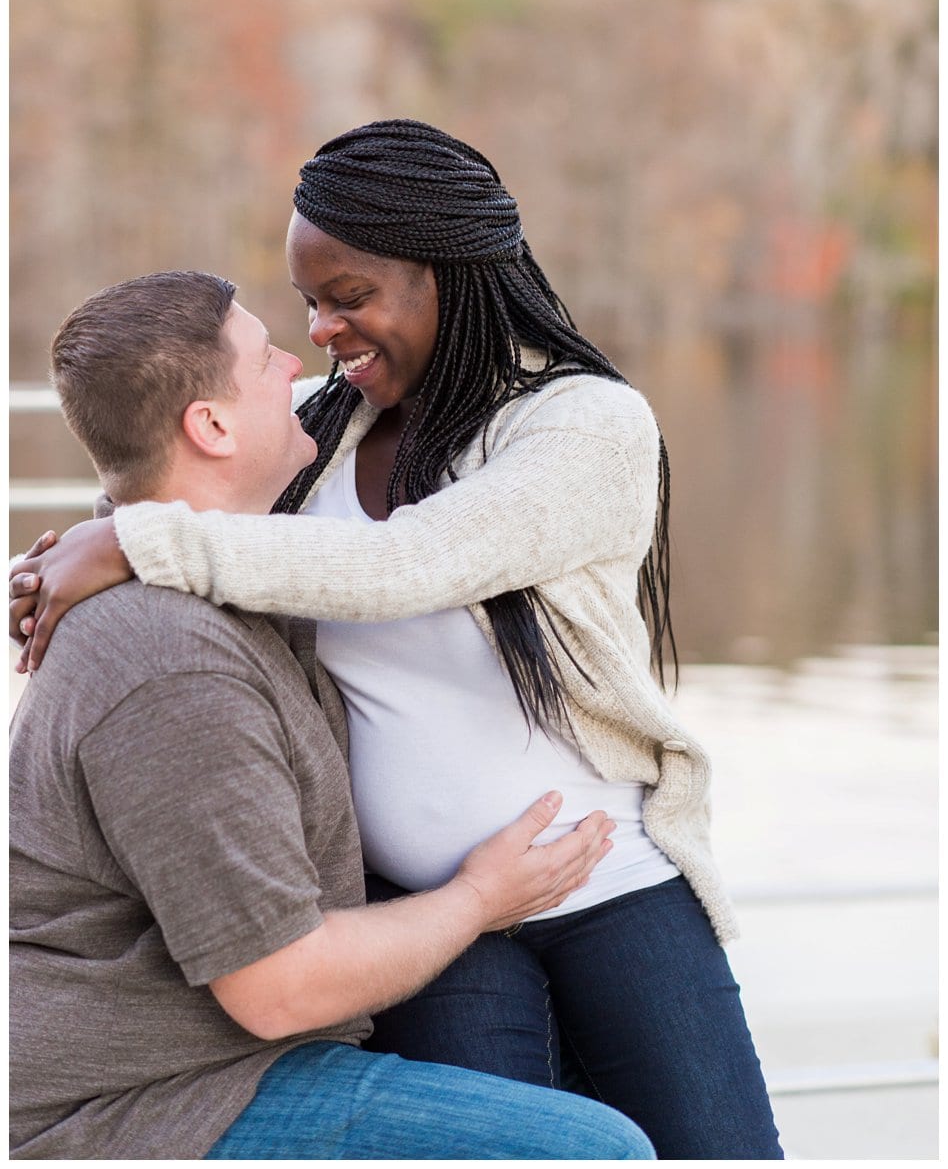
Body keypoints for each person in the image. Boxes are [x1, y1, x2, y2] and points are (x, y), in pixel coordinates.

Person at [10, 121, 783, 1159]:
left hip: (609, 888)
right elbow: (208, 511)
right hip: (425, 919)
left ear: (443, 276)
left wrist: (132, 540)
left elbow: (412, 563)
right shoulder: (325, 436)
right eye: (309, 303)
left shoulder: (583, 426)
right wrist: (87, 553)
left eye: (349, 295)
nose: (323, 329)